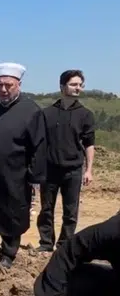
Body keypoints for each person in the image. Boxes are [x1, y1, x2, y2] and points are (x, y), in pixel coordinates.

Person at [0, 63, 46, 268]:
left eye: (8, 85)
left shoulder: (31, 110)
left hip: (16, 172)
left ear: (19, 84)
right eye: (0, 85)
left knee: (12, 211)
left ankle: (9, 253)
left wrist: (34, 176)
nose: (3, 89)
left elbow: (39, 145)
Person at [37, 70, 95, 253]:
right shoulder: (47, 113)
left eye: (80, 85)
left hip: (73, 170)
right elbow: (39, 142)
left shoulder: (85, 114)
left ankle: (64, 245)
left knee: (70, 211)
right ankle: (46, 243)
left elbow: (89, 144)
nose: (78, 88)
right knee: (46, 209)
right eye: (73, 84)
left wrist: (89, 170)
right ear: (62, 87)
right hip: (49, 169)